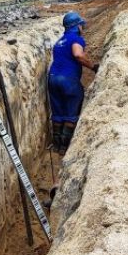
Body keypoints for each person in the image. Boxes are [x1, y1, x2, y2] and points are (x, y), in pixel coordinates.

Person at [48, 12, 98, 154]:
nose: (83, 27)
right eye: (81, 25)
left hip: (52, 79)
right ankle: (65, 147)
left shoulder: (59, 41)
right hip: (68, 80)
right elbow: (77, 54)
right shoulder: (76, 39)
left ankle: (56, 144)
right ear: (76, 26)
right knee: (71, 111)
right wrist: (93, 66)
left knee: (58, 112)